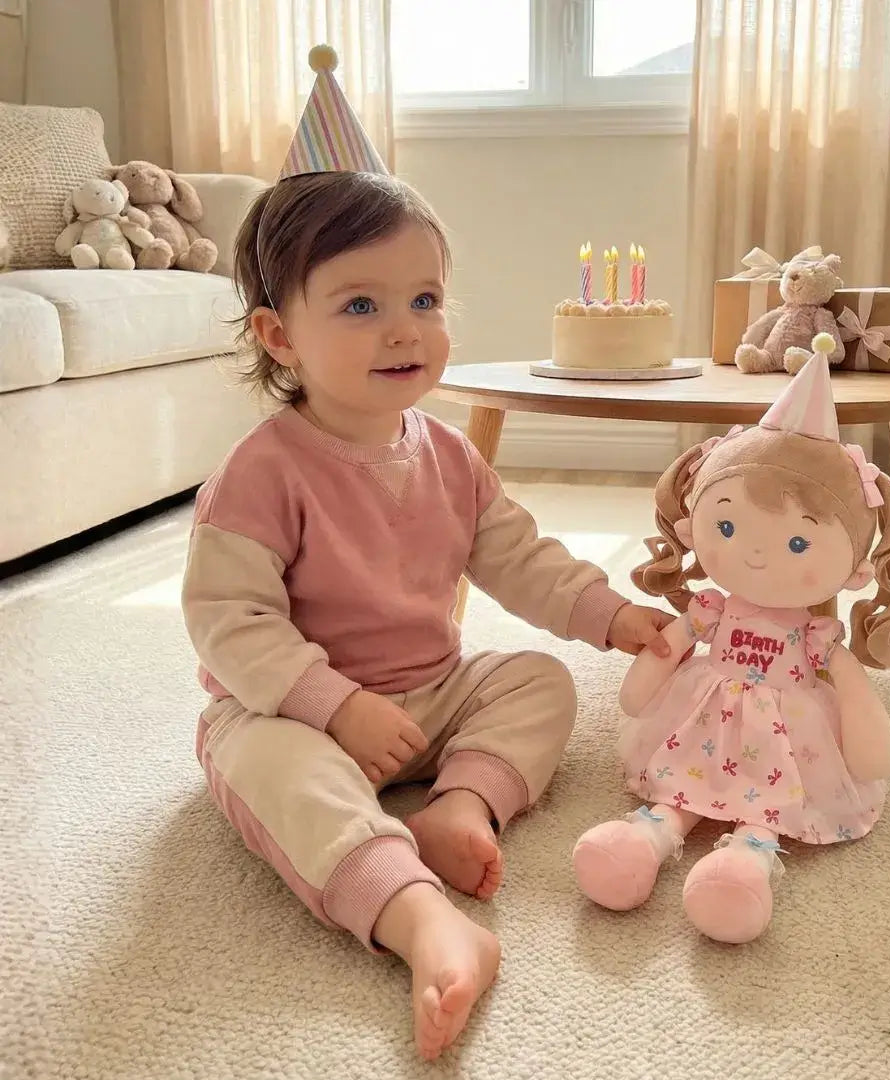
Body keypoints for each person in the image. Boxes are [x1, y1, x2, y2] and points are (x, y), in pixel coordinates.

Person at [181, 47, 672, 1061]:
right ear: (279, 336)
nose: (405, 330)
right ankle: (421, 920)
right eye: (360, 306)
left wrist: (611, 615)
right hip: (295, 709)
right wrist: (333, 707)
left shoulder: (448, 453)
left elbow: (521, 558)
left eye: (426, 300)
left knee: (539, 680)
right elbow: (229, 623)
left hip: (432, 694)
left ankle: (462, 804)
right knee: (264, 763)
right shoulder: (261, 473)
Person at [573, 334, 890, 944]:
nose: (757, 554)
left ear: (855, 569)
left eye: (798, 542)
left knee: (770, 797)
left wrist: (868, 752)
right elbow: (661, 662)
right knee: (682, 778)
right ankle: (653, 830)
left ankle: (750, 853)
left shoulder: (817, 634)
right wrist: (644, 685)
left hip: (784, 731)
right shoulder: (710, 611)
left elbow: (854, 695)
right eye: (726, 526)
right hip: (703, 715)